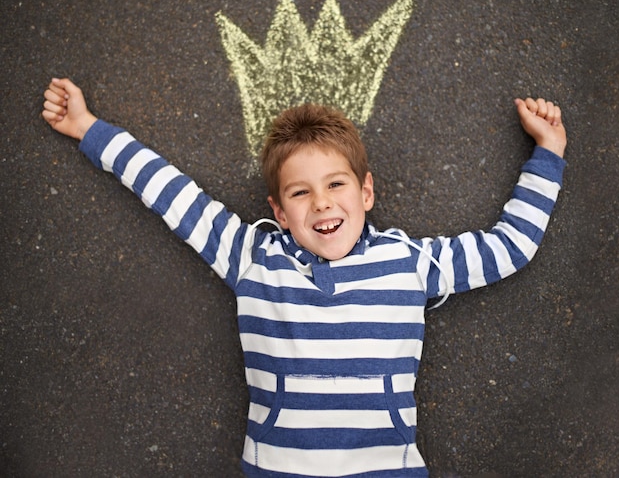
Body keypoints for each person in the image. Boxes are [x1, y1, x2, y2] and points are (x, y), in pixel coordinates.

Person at [42, 77, 566, 477]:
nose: (321, 202)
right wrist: (90, 129)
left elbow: (509, 247)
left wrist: (549, 152)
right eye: (300, 193)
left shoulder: (410, 263)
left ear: (366, 194)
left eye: (336, 183)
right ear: (279, 209)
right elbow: (172, 194)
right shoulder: (252, 256)